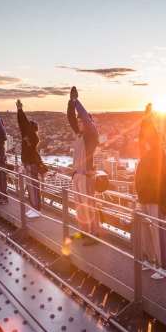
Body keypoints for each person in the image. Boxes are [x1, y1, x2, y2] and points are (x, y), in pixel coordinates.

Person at [134, 103, 166, 280]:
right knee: (146, 232)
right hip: (143, 198)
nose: (149, 142)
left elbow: (151, 138)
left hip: (155, 199)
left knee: (158, 233)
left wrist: (150, 122)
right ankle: (149, 260)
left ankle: (164, 268)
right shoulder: (146, 155)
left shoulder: (160, 155)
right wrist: (145, 121)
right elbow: (142, 138)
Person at [67, 86, 100, 246]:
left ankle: (94, 233)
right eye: (78, 122)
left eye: (82, 122)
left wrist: (77, 103)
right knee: (79, 206)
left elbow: (85, 118)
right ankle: (84, 231)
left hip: (86, 175)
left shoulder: (91, 135)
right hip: (76, 175)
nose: (79, 123)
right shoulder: (80, 134)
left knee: (89, 205)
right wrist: (70, 104)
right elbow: (71, 119)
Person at [16, 99, 41, 218]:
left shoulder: (34, 139)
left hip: (32, 165)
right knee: (30, 187)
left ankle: (37, 210)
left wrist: (21, 111)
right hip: (27, 164)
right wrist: (18, 112)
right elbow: (22, 125)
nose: (27, 130)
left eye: (30, 128)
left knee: (34, 187)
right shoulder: (26, 136)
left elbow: (25, 125)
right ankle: (33, 207)